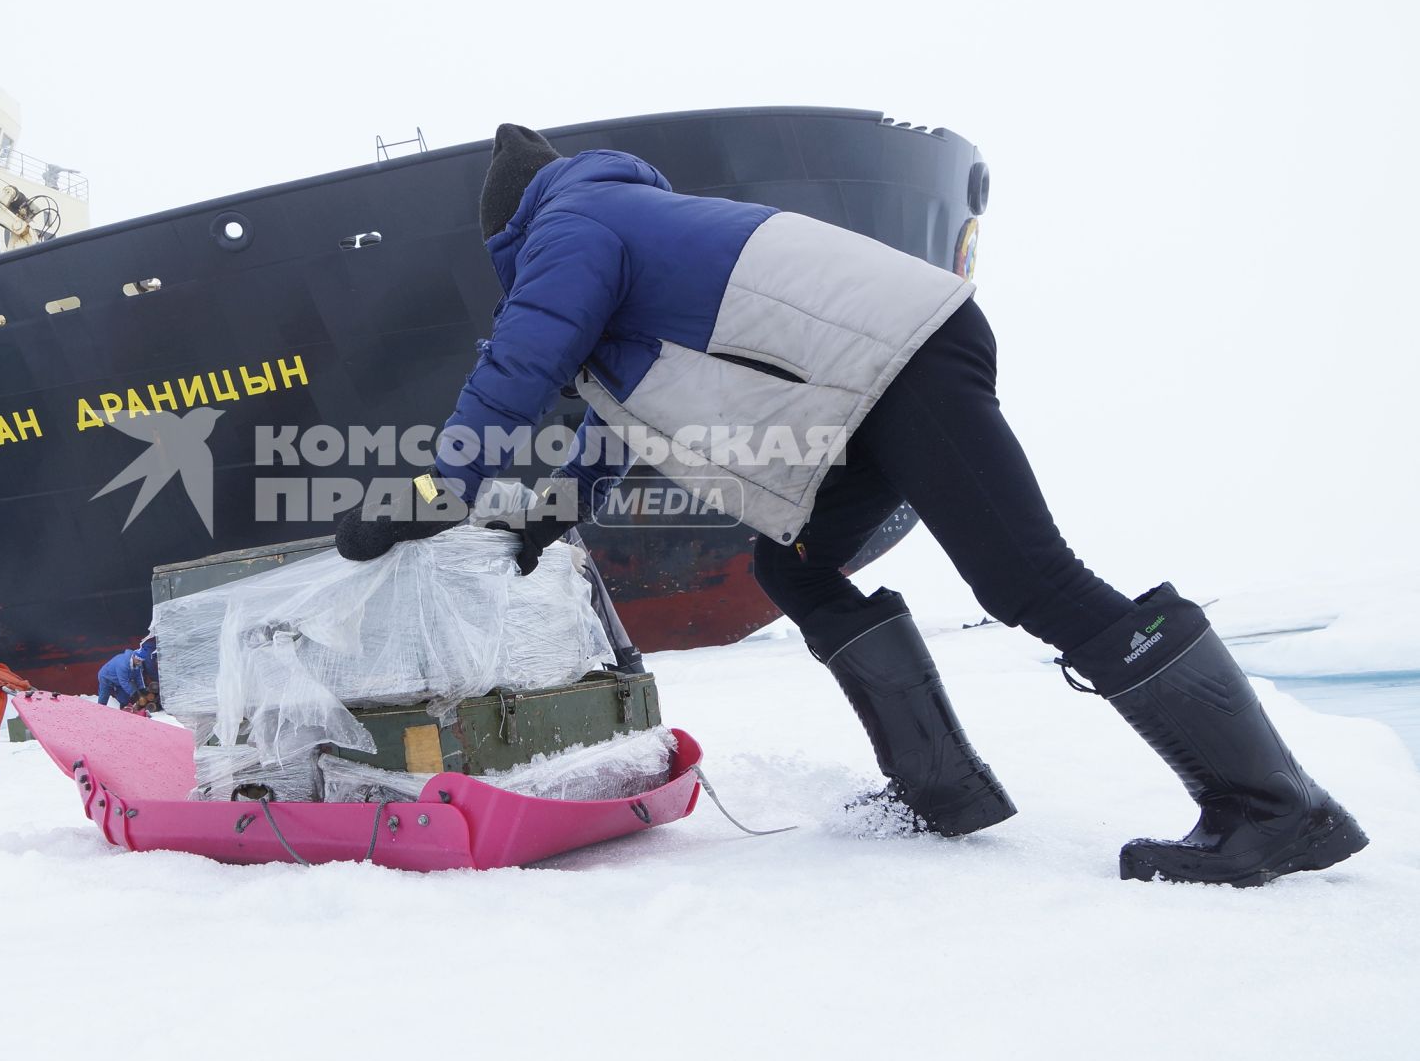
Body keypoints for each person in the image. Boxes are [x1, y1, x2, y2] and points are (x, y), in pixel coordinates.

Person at [334, 122, 1368, 887]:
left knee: (1026, 578)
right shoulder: (618, 232)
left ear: (505, 227)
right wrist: (548, 515)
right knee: (789, 562)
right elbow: (612, 417)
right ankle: (941, 786)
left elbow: (524, 355)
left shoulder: (572, 219)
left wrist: (438, 489)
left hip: (899, 363)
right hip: (869, 383)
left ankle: (1268, 804)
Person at [95, 635, 160, 712]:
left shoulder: (138, 664)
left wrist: (142, 689)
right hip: (106, 677)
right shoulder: (123, 664)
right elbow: (124, 682)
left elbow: (139, 677)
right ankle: (99, 712)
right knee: (104, 697)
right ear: (134, 657)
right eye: (138, 661)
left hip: (119, 681)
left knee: (124, 699)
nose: (139, 663)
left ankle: (124, 713)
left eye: (141, 661)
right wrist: (135, 694)